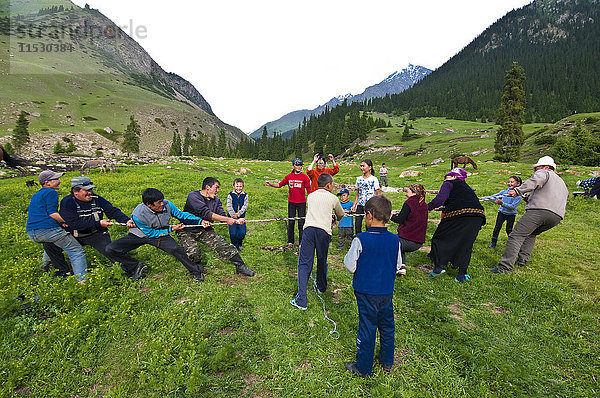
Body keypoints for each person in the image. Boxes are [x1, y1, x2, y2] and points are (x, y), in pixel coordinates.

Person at [45, 176, 147, 281]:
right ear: (76, 192)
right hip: (75, 234)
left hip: (96, 234)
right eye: (87, 190)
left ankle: (135, 267)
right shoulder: (67, 202)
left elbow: (112, 211)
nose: (90, 193)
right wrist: (98, 223)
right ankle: (61, 271)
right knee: (50, 244)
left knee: (110, 250)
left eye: (91, 189)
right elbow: (75, 224)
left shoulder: (97, 199)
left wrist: (127, 221)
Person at [344, 195, 401, 377]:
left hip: (366, 291)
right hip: (386, 291)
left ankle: (363, 367)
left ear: (369, 215)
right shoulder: (395, 239)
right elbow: (398, 265)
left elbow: (350, 265)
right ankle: (387, 361)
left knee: (367, 327)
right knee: (387, 325)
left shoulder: (360, 239)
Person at [105, 188, 208, 283]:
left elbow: (181, 215)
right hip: (139, 234)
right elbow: (150, 233)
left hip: (160, 233)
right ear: (148, 204)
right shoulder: (137, 215)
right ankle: (135, 266)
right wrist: (171, 229)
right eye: (159, 202)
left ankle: (196, 271)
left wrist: (200, 220)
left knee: (176, 249)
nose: (162, 204)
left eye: (162, 200)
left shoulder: (167, 204)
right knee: (111, 249)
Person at [491, 156, 568, 274]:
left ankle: (505, 268)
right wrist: (528, 198)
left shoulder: (545, 172)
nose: (535, 171)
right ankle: (523, 258)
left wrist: (517, 191)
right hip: (557, 216)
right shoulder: (561, 182)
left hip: (539, 211)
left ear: (546, 167)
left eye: (536, 168)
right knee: (532, 233)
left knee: (516, 235)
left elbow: (535, 181)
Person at [177, 177, 255, 280]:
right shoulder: (193, 196)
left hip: (204, 230)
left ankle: (241, 267)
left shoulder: (216, 200)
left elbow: (222, 215)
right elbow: (206, 213)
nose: (218, 191)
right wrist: (227, 220)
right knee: (194, 251)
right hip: (186, 230)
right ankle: (196, 270)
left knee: (225, 246)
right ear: (207, 187)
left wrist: (236, 220)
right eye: (216, 188)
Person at [290, 173, 346, 310]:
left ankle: (301, 299)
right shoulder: (333, 198)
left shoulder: (311, 196)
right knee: (322, 259)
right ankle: (321, 286)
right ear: (328, 185)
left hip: (309, 230)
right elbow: (341, 215)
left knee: (304, 263)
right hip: (323, 232)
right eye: (332, 184)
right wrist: (333, 216)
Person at [26, 170, 87, 281]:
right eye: (56, 179)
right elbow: (52, 213)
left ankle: (43, 268)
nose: (59, 181)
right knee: (76, 251)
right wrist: (70, 222)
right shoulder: (51, 192)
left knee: (52, 243)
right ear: (47, 182)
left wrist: (60, 222)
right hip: (47, 229)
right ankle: (82, 281)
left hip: (32, 231)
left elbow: (40, 213)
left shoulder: (36, 194)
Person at [427, 168, 486, 282]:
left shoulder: (449, 183)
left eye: (448, 176)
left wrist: (427, 207)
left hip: (459, 215)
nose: (446, 178)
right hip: (477, 216)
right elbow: (460, 200)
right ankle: (461, 274)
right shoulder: (466, 187)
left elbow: (441, 198)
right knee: (466, 243)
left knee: (439, 237)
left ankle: (438, 267)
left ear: (455, 177)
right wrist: (445, 207)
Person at [265, 158, 311, 246]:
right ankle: (290, 241)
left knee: (301, 222)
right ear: (293, 166)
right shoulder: (289, 176)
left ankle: (302, 242)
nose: (299, 167)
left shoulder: (305, 177)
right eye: (297, 165)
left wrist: (311, 201)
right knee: (291, 222)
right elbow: (279, 184)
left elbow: (309, 191)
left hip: (301, 203)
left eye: (301, 165)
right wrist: (270, 184)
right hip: (291, 202)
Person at [390, 183, 429, 276]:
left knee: (391, 242)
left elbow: (400, 219)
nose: (406, 194)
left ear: (414, 192)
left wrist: (391, 216)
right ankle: (402, 267)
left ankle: (390, 267)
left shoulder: (409, 203)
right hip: (418, 241)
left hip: (408, 239)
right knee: (399, 246)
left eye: (407, 191)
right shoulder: (424, 204)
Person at [480, 176, 523, 248]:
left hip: (511, 215)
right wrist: (483, 198)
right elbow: (495, 196)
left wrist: (502, 203)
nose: (509, 183)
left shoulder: (518, 196)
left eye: (512, 182)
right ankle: (493, 242)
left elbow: (512, 206)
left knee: (509, 229)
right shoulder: (504, 192)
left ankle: (512, 244)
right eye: (508, 182)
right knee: (497, 227)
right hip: (501, 213)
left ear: (518, 184)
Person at [351, 159, 381, 234]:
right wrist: (354, 205)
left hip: (370, 205)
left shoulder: (374, 179)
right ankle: (358, 240)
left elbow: (378, 194)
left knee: (369, 225)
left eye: (363, 166)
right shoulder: (359, 179)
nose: (362, 168)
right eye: (361, 166)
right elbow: (358, 193)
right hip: (360, 204)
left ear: (370, 167)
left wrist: (378, 206)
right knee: (357, 225)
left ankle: (369, 241)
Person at [227, 178, 248, 251]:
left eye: (240, 186)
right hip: (232, 217)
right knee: (233, 233)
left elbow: (245, 206)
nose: (238, 188)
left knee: (242, 232)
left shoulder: (245, 195)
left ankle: (239, 243)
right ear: (233, 186)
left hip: (241, 217)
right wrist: (233, 215)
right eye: (237, 186)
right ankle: (234, 246)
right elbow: (229, 206)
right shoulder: (230, 195)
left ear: (243, 187)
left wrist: (238, 214)